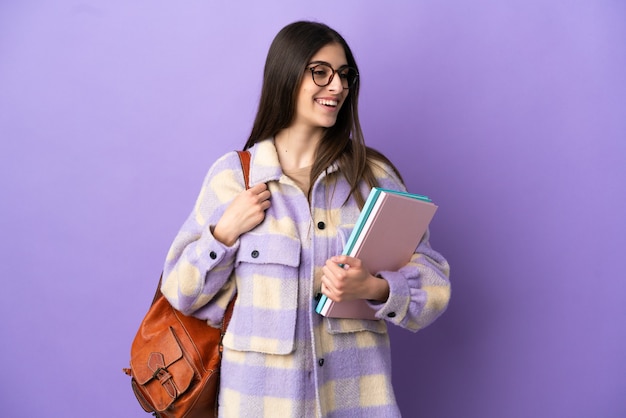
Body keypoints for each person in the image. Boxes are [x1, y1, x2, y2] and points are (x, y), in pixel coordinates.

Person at [161, 20, 451, 418]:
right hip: (259, 406)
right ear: (286, 76)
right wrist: (224, 234)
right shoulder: (233, 177)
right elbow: (181, 292)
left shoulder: (373, 177)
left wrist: (374, 287)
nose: (337, 87)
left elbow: (434, 285)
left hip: (358, 404)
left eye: (345, 75)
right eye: (321, 72)